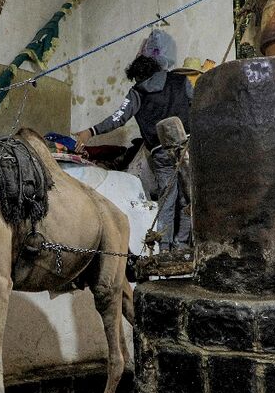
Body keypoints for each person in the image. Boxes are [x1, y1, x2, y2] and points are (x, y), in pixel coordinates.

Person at [75, 54, 192, 252]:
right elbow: (197, 104)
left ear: (137, 76)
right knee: (188, 197)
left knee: (166, 199)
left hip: (161, 150)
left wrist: (91, 131)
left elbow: (118, 117)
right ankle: (182, 246)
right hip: (188, 145)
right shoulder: (180, 81)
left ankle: (164, 248)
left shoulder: (137, 92)